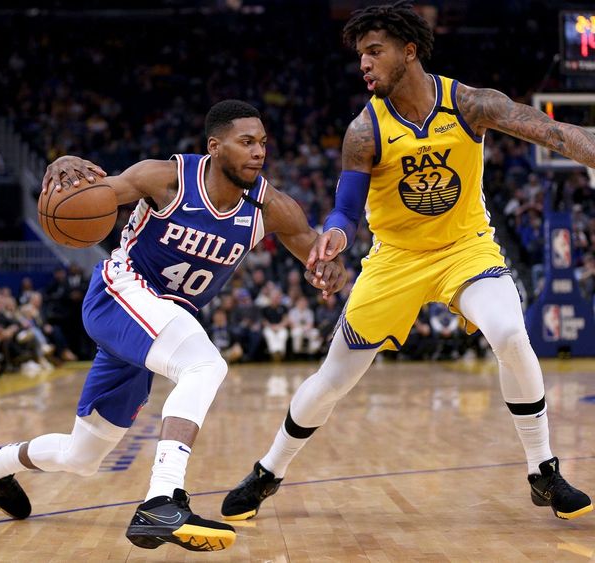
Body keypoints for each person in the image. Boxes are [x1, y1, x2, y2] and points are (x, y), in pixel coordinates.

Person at [222, 1, 594, 524]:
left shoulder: (471, 104)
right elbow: (346, 210)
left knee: (511, 333)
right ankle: (267, 471)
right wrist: (332, 238)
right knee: (334, 379)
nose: (364, 64)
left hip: (465, 249)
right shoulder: (364, 130)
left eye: (374, 52)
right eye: (360, 56)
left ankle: (543, 471)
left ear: (409, 51)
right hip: (394, 260)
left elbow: (555, 133)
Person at [0, 100, 347, 552]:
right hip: (120, 293)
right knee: (205, 365)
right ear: (215, 147)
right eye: (247, 142)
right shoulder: (166, 178)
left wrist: (326, 269)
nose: (259, 151)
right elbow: (99, 190)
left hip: (157, 325)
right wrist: (63, 163)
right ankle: (162, 499)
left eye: (262, 142)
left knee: (83, 456)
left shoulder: (271, 206)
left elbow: (313, 253)